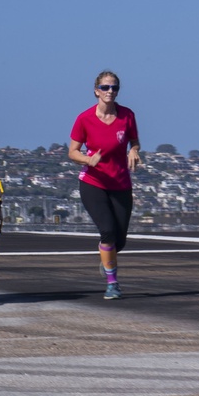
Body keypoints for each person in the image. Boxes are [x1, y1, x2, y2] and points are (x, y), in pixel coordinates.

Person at [68, 70, 142, 300]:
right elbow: (72, 152)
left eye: (114, 88)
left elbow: (135, 141)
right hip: (93, 183)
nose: (110, 91)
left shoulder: (127, 115)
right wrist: (88, 160)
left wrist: (134, 150)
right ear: (96, 91)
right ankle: (112, 283)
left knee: (119, 240)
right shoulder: (85, 118)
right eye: (105, 87)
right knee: (108, 232)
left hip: (120, 183)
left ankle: (106, 258)